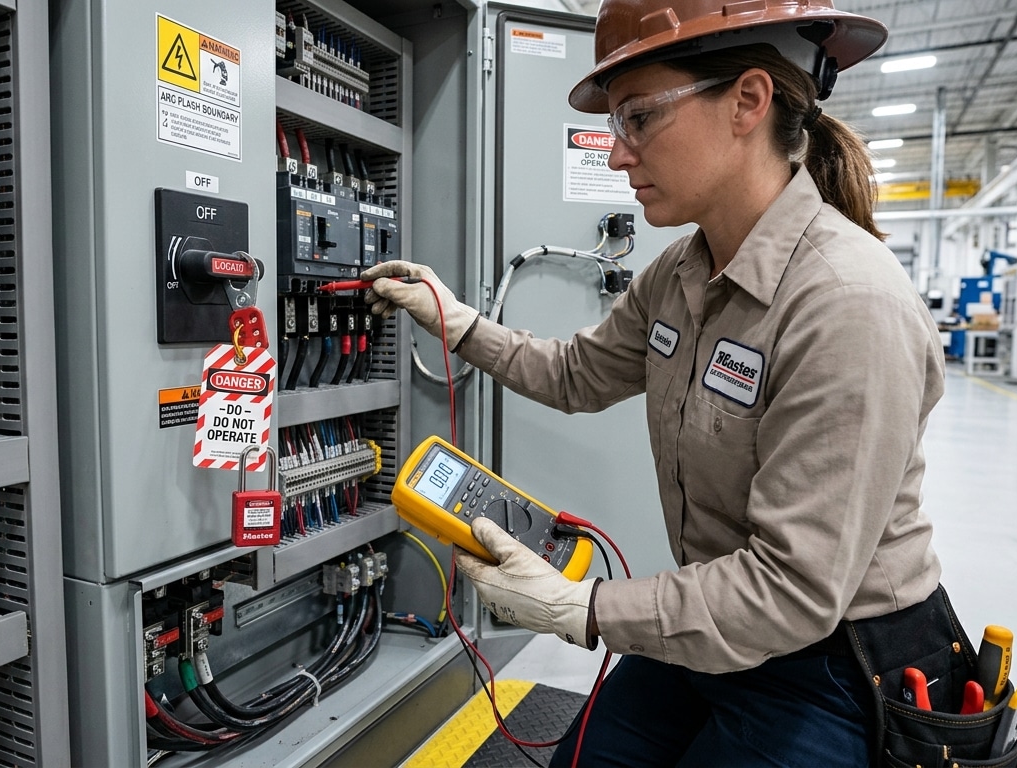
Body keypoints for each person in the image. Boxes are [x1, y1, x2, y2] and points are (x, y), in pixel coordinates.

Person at [362, 1, 947, 765]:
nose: (615, 155)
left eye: (638, 118)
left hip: (832, 661)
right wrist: (458, 322)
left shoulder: (846, 304)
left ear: (747, 102)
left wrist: (584, 608)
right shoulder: (679, 272)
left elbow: (793, 591)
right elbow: (576, 375)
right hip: (716, 622)